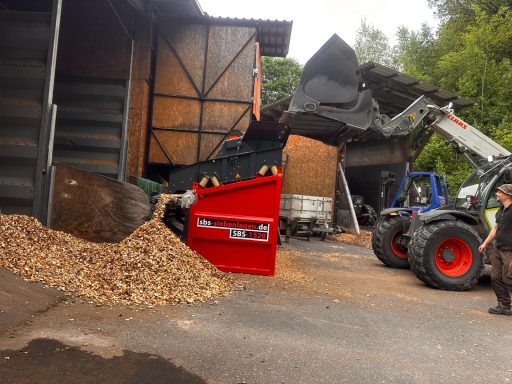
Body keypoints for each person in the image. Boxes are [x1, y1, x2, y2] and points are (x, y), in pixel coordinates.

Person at [478, 183, 512, 316]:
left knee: (508, 278)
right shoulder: (501, 210)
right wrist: (486, 243)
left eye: (499, 192)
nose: (497, 194)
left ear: (508, 195)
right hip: (498, 248)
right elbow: (495, 228)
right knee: (495, 277)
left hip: (510, 251)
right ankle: (504, 305)